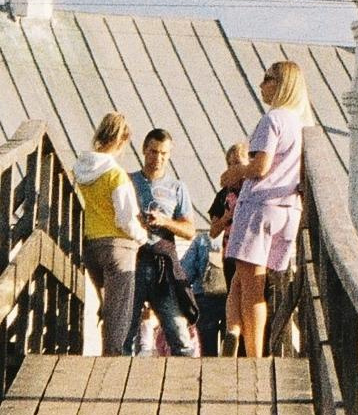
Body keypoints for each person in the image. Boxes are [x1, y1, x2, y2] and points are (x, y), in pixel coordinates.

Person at [224, 61, 309, 360]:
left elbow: (261, 167)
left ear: (281, 84)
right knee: (243, 279)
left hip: (259, 207)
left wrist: (235, 173)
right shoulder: (301, 124)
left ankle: (254, 355)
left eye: (267, 79)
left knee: (252, 289)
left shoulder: (272, 119)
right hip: (288, 210)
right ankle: (233, 331)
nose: (261, 85)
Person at [74, 109, 145, 356]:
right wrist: (142, 236)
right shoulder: (116, 174)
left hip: (91, 246)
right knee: (119, 311)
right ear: (123, 140)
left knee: (108, 304)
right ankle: (112, 359)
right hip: (118, 246)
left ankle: (107, 352)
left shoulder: (79, 171)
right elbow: (125, 218)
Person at [129, 127, 201, 358]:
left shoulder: (177, 188)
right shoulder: (129, 181)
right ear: (144, 150)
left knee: (178, 332)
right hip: (135, 260)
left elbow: (189, 230)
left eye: (163, 153)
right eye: (153, 152)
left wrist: (165, 221)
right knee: (125, 331)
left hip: (163, 264)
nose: (158, 158)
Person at [204, 144, 250, 354]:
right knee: (234, 292)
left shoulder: (254, 190)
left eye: (237, 164)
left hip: (251, 251)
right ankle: (234, 337)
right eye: (229, 164)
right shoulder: (224, 196)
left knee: (248, 296)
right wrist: (227, 217)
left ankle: (243, 340)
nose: (233, 168)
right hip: (230, 252)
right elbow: (213, 231)